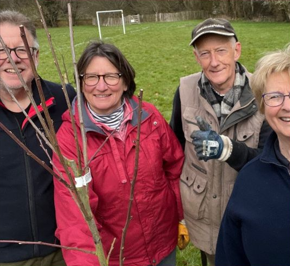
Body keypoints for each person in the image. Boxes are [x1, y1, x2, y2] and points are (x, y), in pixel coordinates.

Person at [52, 41, 185, 266]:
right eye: (92, 77)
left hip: (163, 245)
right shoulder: (70, 139)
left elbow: (175, 168)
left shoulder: (149, 116)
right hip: (117, 258)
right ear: (81, 83)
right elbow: (75, 216)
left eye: (111, 77)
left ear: (125, 82)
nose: (101, 86)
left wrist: (182, 217)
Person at [170, 18, 271, 266]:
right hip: (202, 215)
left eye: (221, 51)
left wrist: (228, 150)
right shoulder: (185, 90)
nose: (214, 62)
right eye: (205, 53)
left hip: (249, 212)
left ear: (237, 50)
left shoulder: (263, 92)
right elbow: (175, 150)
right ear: (196, 57)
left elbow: (272, 161)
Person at [0, 10, 76, 265]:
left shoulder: (64, 100)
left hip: (64, 250)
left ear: (36, 56)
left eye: (22, 50)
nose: (12, 58)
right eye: (2, 49)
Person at [216, 45, 290, 266]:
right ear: (263, 106)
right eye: (275, 96)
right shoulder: (249, 180)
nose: (287, 106)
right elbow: (230, 258)